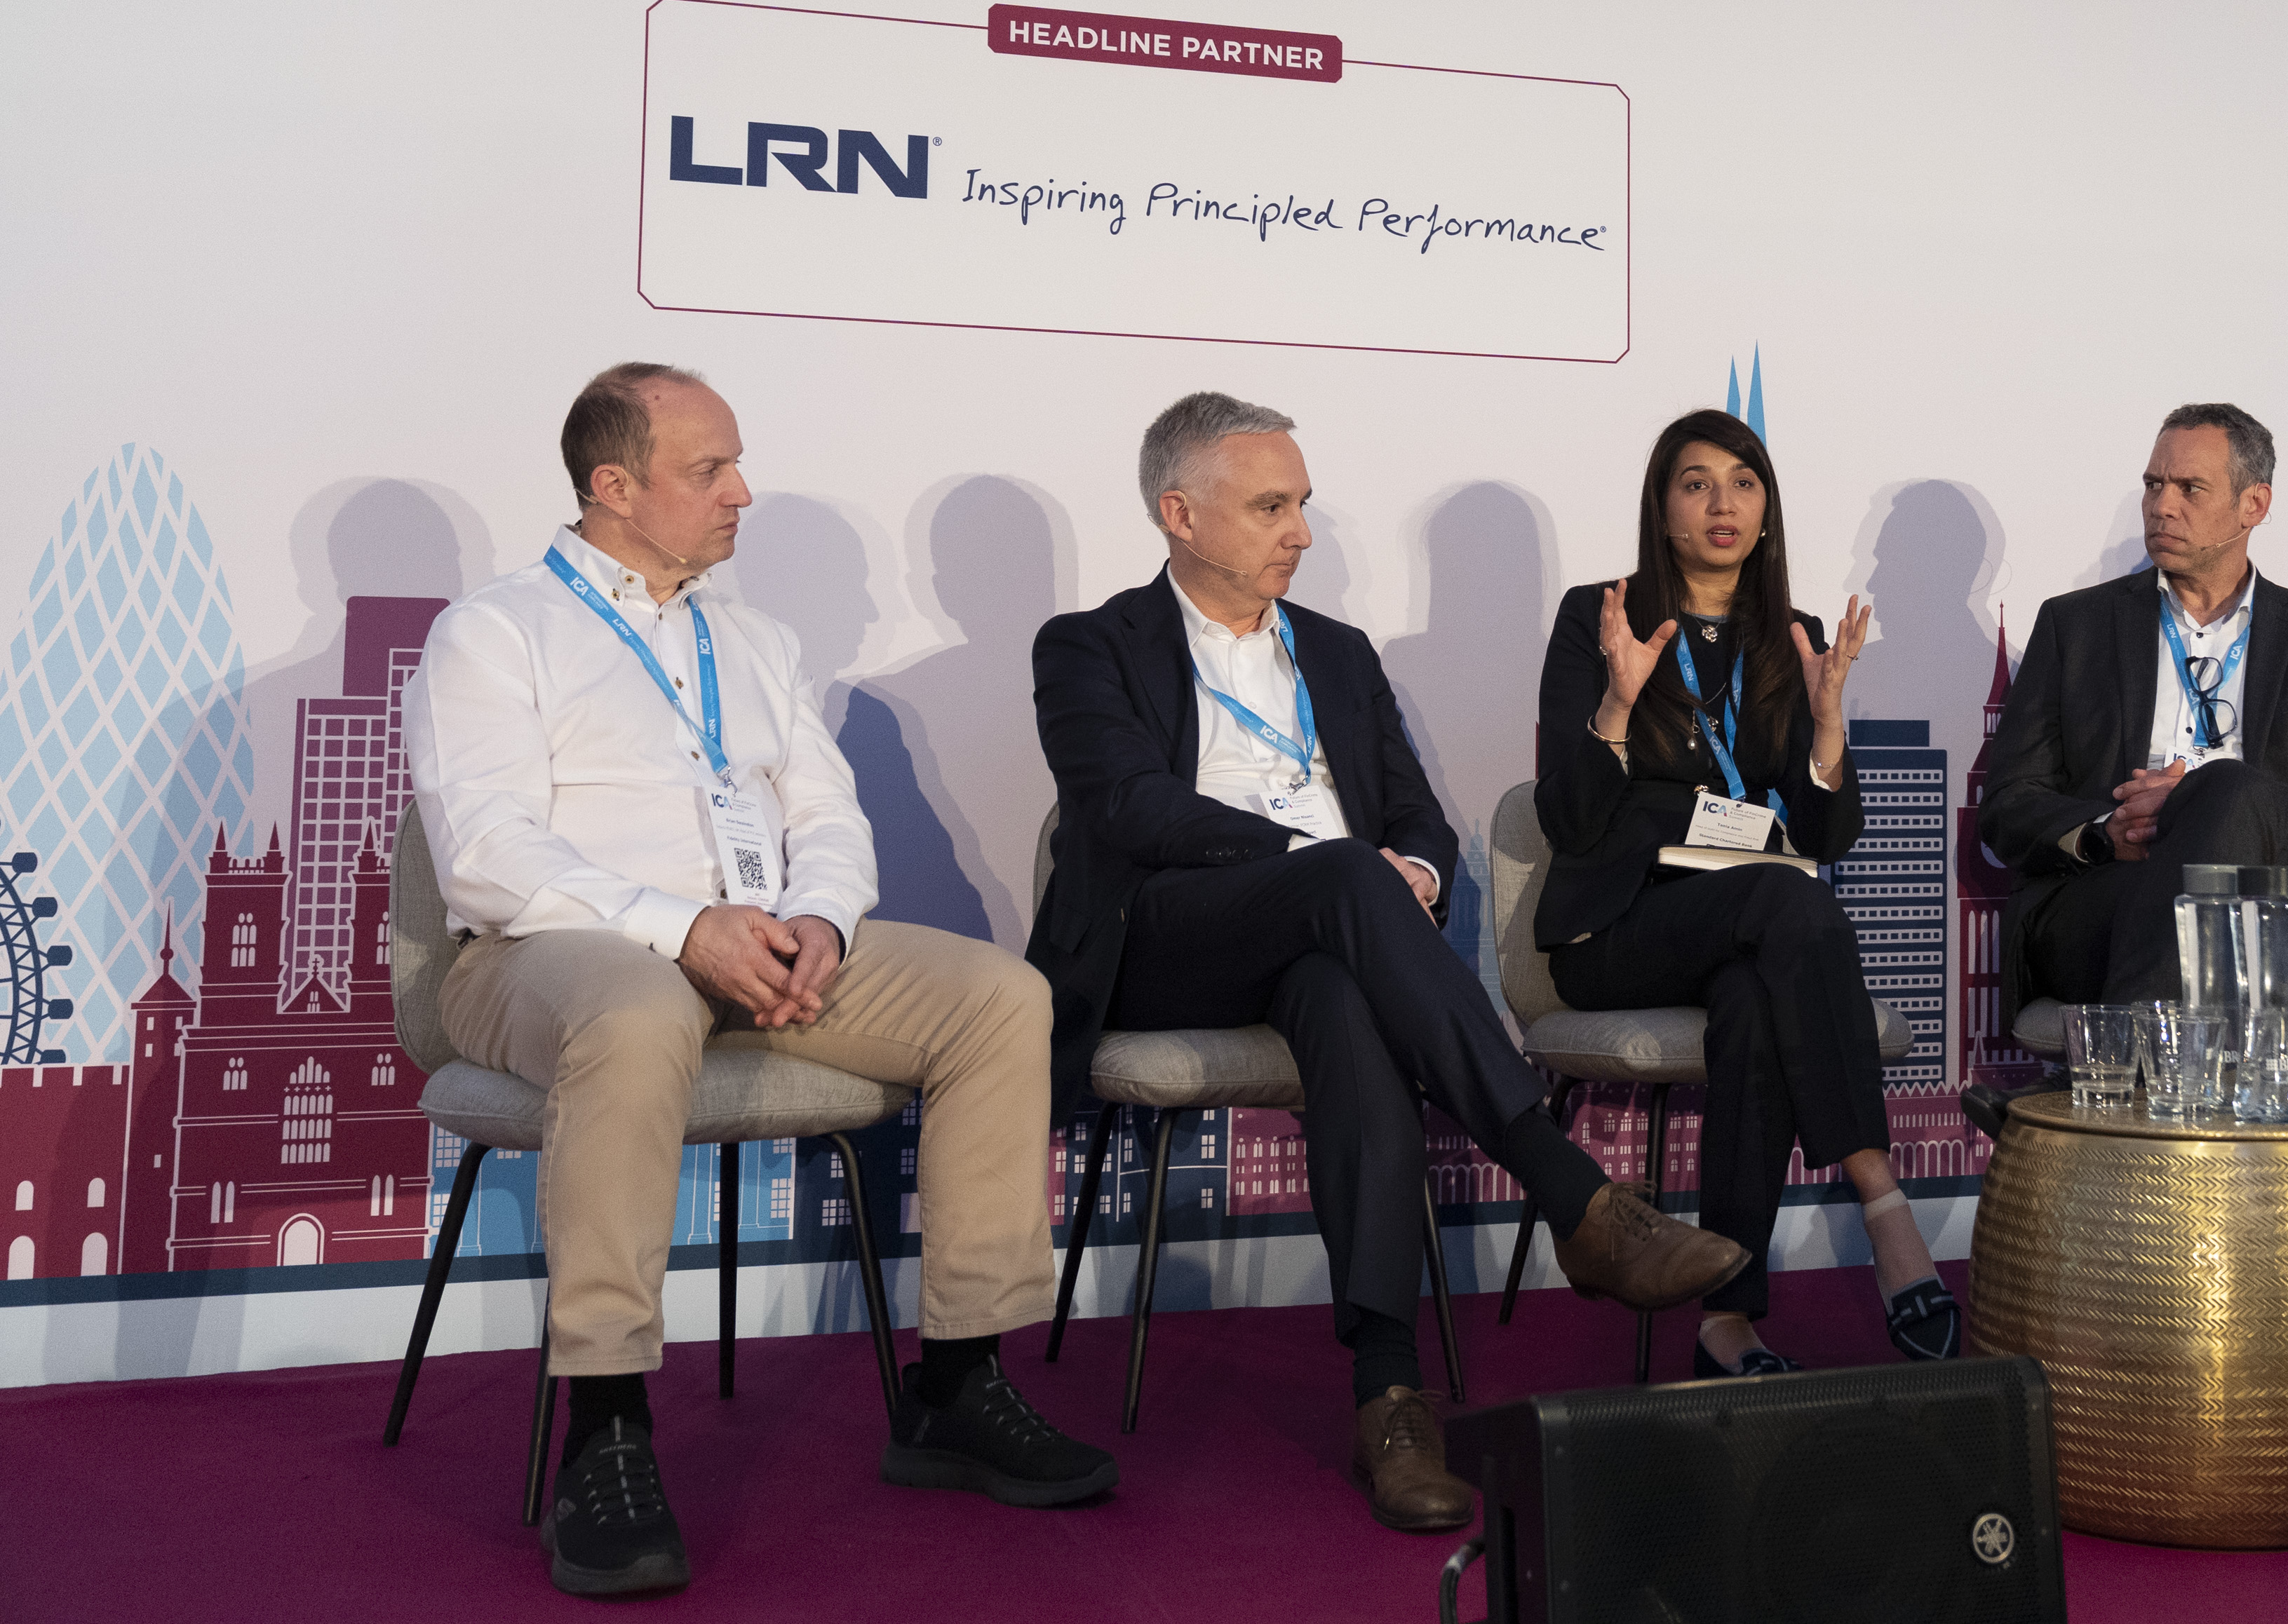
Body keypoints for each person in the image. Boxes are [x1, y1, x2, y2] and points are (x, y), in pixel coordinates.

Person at [405, 363, 1116, 1602]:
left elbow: (825, 810)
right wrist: (687, 929)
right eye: (707, 470)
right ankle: (606, 1421)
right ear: (611, 485)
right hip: (542, 954)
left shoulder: (755, 636)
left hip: (758, 945)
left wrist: (819, 921)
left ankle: (955, 1377)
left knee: (998, 996)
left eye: (737, 464)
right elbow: (489, 857)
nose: (743, 492)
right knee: (631, 1012)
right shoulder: (496, 628)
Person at [1025, 392, 1749, 1534]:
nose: (1300, 531)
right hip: (1166, 938)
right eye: (1269, 505)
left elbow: (1418, 817)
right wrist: (1340, 863)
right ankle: (1571, 1193)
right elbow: (1129, 806)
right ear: (1179, 513)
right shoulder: (1089, 645)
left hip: (1320, 943)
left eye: (1301, 503)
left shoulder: (1339, 654)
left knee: (1340, 997)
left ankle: (1386, 1393)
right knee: (1344, 884)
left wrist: (1405, 862)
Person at [1533, 410, 1960, 1378]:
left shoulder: (1794, 637)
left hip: (1743, 932)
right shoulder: (1598, 618)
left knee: (1753, 998)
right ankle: (1884, 1202)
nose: (1723, 503)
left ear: (1767, 510)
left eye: (1744, 481)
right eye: (1696, 482)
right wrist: (1618, 700)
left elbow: (1824, 838)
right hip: (1619, 926)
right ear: (1662, 505)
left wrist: (1824, 728)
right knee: (1790, 906)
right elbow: (1568, 819)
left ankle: (1727, 1318)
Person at [1967, 402, 2288, 1130]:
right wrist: (2106, 829)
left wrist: (2225, 802)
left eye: (2187, 489)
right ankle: (2138, 1079)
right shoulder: (2073, 628)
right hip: (2108, 895)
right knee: (2209, 816)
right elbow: (2009, 804)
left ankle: (2116, 1084)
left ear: (2253, 504)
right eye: (2151, 485)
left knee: (2227, 790)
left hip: (2281, 916)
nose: (2160, 505)